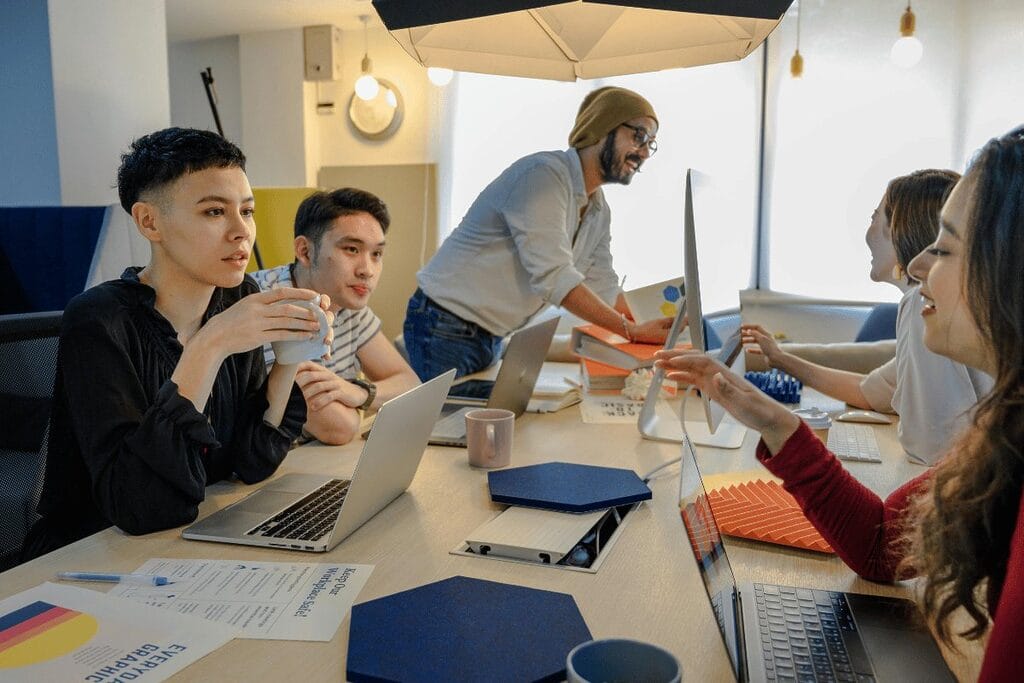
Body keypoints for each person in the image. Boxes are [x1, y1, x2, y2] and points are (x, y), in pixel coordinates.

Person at [655, 127, 1024, 681]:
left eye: (943, 249)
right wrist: (771, 419)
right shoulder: (1007, 432)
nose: (917, 268)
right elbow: (881, 547)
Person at [21, 127, 331, 561]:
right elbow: (139, 506)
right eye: (213, 212)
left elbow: (252, 462)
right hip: (89, 558)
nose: (242, 232)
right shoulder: (98, 320)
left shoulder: (235, 298)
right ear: (150, 222)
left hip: (188, 548)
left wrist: (289, 359)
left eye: (247, 210)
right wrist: (210, 344)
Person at [403, 86, 673, 380]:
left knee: (484, 421)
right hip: (443, 325)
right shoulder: (542, 176)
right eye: (640, 136)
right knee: (450, 423)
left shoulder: (597, 208)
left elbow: (603, 286)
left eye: (652, 143)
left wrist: (658, 322)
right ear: (602, 127)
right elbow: (555, 277)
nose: (645, 152)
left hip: (489, 334)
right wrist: (631, 331)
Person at [742, 169, 992, 464]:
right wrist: (781, 359)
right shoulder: (937, 304)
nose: (867, 233)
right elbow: (870, 391)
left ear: (901, 229)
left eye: (875, 218)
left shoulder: (920, 305)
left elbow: (929, 448)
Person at [252, 188, 419, 445]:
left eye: (376, 254)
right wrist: (356, 406)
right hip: (257, 475)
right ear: (305, 251)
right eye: (352, 249)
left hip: (314, 461)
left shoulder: (348, 302)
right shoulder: (268, 304)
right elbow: (337, 427)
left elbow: (410, 385)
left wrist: (358, 392)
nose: (367, 270)